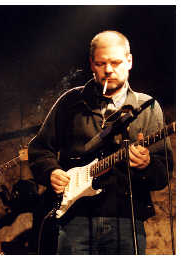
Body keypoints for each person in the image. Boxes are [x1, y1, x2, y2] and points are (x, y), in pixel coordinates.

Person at [28, 30, 173, 254]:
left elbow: (162, 174)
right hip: (74, 219)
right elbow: (39, 149)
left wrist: (146, 165)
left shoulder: (148, 107)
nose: (108, 70)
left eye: (115, 62)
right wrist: (51, 172)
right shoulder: (70, 102)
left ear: (129, 61)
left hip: (126, 222)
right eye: (100, 63)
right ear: (91, 64)